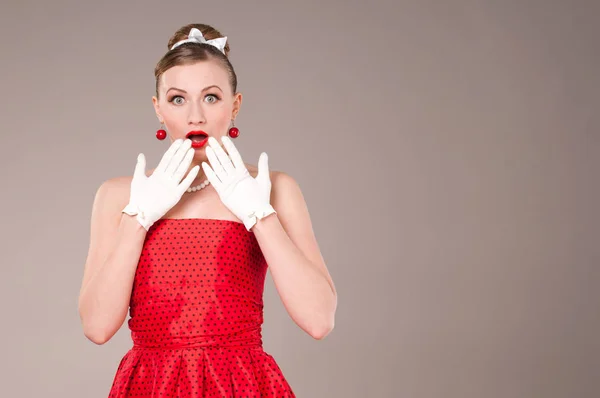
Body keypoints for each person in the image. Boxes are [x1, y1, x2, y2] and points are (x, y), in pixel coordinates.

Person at [77, 23, 338, 397]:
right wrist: (138, 218)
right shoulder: (120, 195)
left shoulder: (274, 189)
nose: (195, 115)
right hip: (152, 385)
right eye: (178, 99)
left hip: (240, 383)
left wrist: (260, 215)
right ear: (158, 109)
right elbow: (97, 328)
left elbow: (319, 320)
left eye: (211, 97)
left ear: (235, 105)